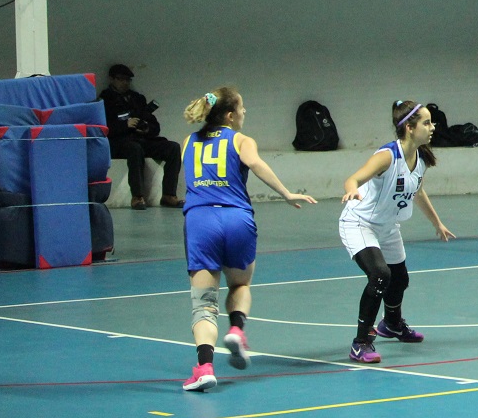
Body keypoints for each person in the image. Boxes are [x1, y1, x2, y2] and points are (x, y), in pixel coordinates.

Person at [179, 86, 316, 390]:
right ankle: (237, 330)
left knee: (203, 305)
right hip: (237, 218)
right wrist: (286, 192)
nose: (244, 113)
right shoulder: (241, 140)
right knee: (240, 283)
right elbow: (255, 164)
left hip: (201, 219)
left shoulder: (188, 141)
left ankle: (204, 368)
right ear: (230, 115)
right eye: (242, 109)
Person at [340, 101, 454, 364]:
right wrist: (351, 189)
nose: (432, 127)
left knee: (399, 279)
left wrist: (437, 222)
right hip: (360, 222)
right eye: (426, 123)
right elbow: (354, 178)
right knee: (380, 275)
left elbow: (418, 191)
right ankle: (361, 343)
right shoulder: (388, 155)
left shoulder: (422, 158)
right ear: (410, 128)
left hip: (388, 226)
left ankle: (391, 324)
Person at [99, 64, 182, 210]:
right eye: (121, 79)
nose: (125, 83)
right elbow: (102, 128)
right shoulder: (105, 100)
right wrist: (125, 125)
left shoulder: (137, 99)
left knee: (173, 148)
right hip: (120, 142)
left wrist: (146, 128)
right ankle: (137, 197)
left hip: (142, 139)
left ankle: (169, 195)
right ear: (112, 79)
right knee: (134, 149)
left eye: (127, 80)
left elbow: (155, 126)